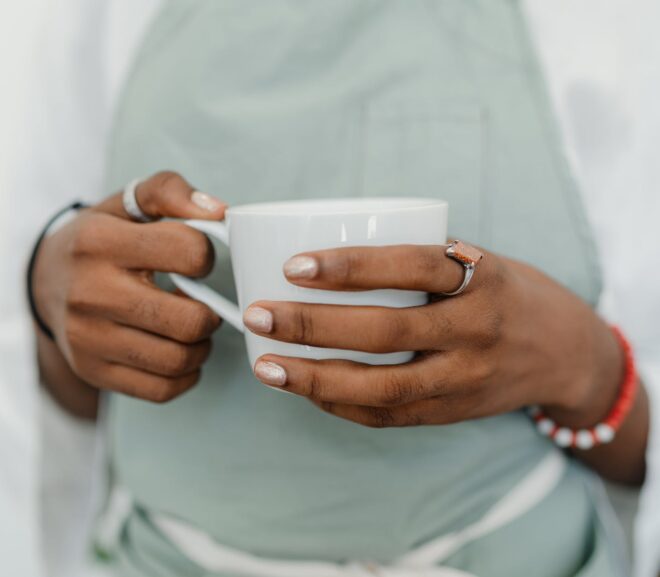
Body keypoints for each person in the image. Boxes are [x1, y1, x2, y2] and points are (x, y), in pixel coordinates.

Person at [12, 0, 660, 576]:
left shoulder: (614, 23)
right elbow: (51, 424)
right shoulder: (79, 18)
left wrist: (584, 365)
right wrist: (47, 302)